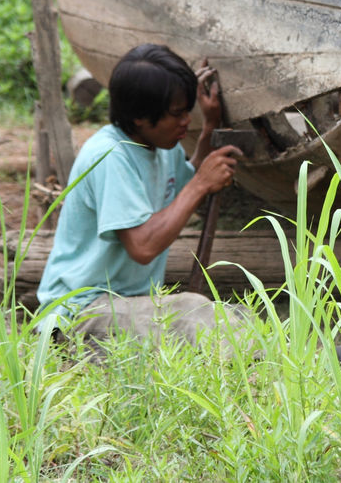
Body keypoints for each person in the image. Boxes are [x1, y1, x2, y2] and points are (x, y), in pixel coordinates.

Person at [36, 44, 245, 353]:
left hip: (130, 304)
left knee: (227, 315)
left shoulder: (160, 147)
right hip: (81, 313)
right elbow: (143, 245)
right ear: (138, 118)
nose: (186, 121)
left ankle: (297, 359)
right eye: (177, 114)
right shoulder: (109, 156)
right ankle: (291, 367)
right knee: (194, 312)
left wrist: (210, 128)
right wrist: (200, 184)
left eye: (189, 111)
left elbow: (180, 196)